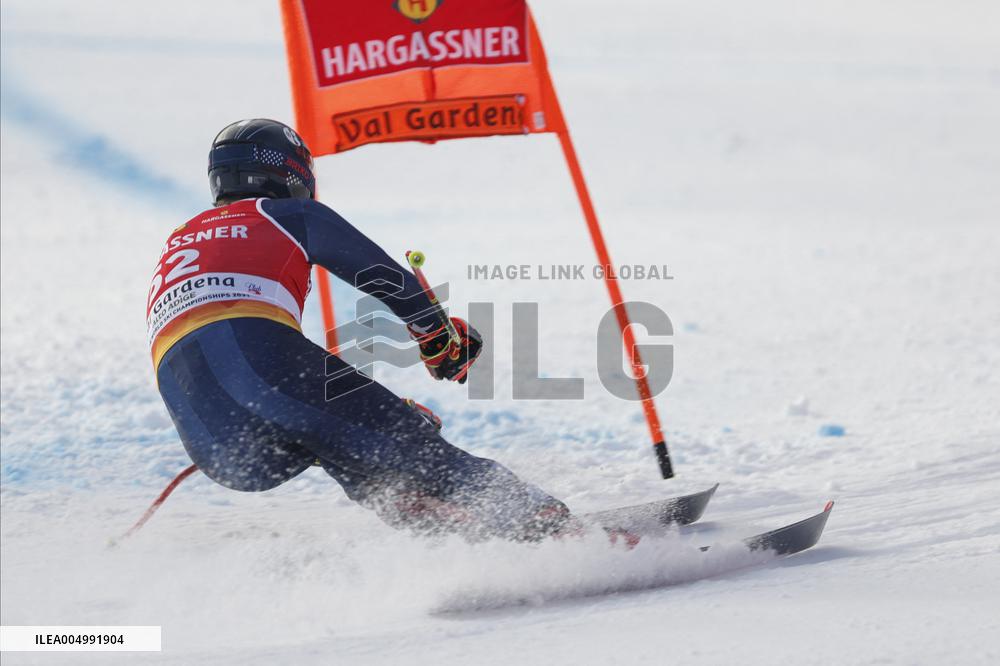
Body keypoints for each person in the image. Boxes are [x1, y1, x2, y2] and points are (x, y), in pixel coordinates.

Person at [146, 118, 570, 541]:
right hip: (259, 355)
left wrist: (363, 412)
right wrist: (437, 335)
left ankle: (445, 530)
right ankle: (550, 526)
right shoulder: (285, 213)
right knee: (409, 444)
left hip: (208, 435)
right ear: (293, 171)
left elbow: (226, 361)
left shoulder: (178, 239)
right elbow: (383, 276)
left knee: (350, 447)